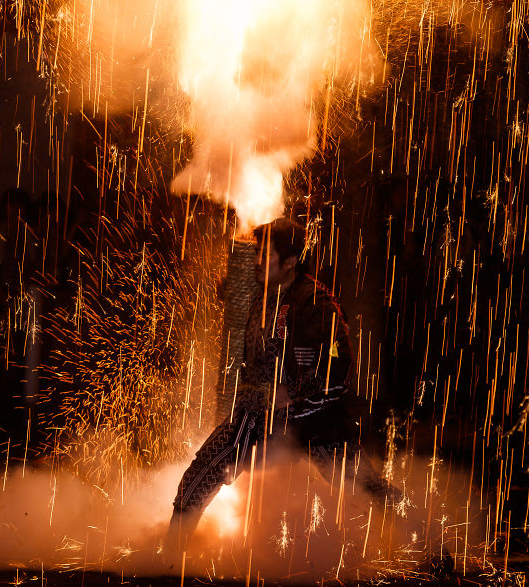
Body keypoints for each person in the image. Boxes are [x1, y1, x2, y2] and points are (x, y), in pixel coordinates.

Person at [165, 217, 402, 555]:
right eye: (257, 253)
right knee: (201, 474)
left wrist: (296, 394)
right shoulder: (257, 295)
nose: (258, 261)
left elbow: (339, 366)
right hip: (254, 418)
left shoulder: (316, 304)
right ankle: (168, 560)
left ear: (291, 262)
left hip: (314, 421)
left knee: (363, 483)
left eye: (266, 255)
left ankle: (425, 538)